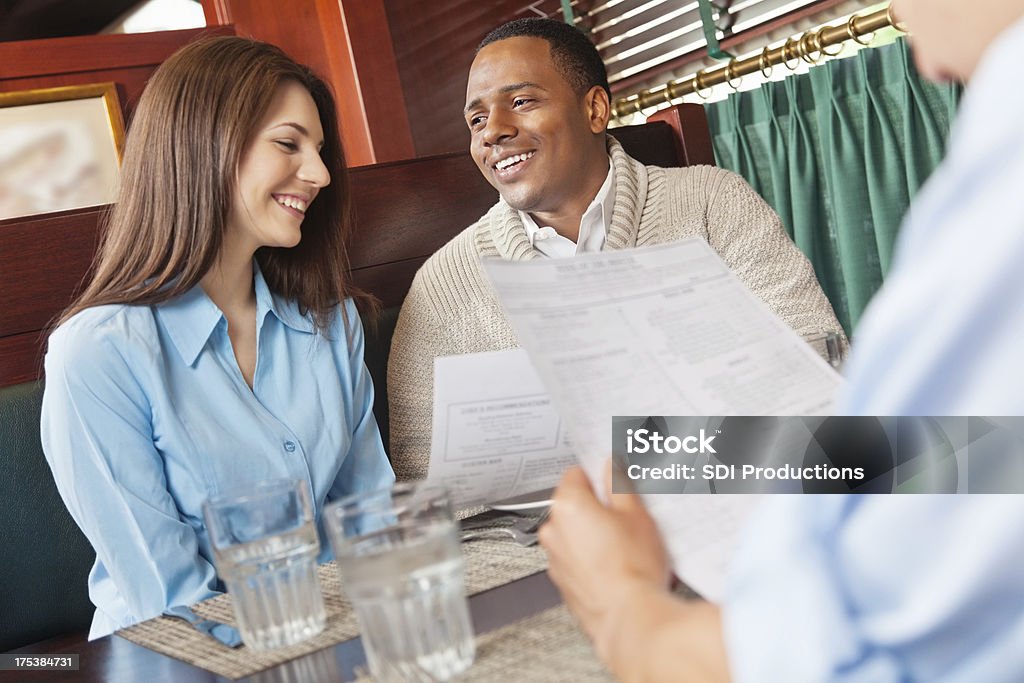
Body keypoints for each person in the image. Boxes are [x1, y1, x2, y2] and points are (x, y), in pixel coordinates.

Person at [540, 1, 1024, 681]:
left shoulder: (711, 193)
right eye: (476, 117)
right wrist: (666, 450)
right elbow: (969, 447)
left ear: (594, 109)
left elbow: (848, 657)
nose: (927, 61)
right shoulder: (457, 272)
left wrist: (623, 605)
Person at [40, 37, 395, 639]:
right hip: (178, 656)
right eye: (288, 143)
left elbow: (373, 524)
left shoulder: (333, 325)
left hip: (331, 636)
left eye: (320, 150)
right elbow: (171, 600)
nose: (320, 173)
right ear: (204, 145)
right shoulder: (99, 353)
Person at [387, 18, 843, 482]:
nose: (493, 132)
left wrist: (629, 460)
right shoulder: (441, 286)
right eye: (477, 120)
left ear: (595, 109)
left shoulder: (714, 203)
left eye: (521, 102)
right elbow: (433, 496)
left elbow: (820, 379)